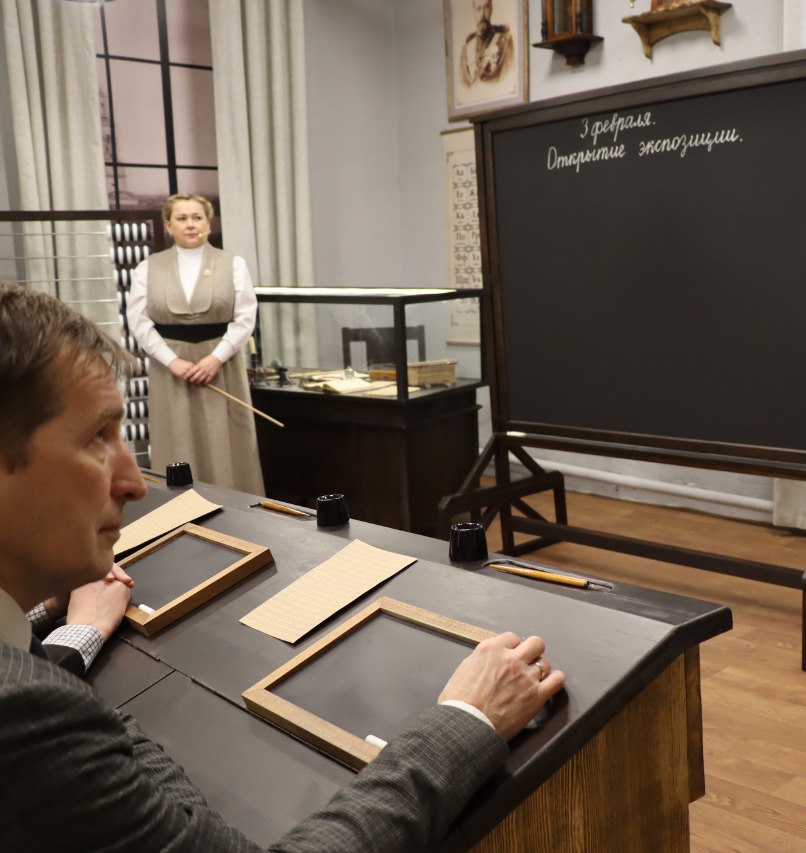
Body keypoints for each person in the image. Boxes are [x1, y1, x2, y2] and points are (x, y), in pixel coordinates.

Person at [0, 280, 566, 848]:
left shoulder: (31, 682)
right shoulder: (25, 713)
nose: (133, 482)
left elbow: (106, 748)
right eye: (97, 437)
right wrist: (466, 721)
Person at [126, 193, 264, 493]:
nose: (190, 224)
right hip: (171, 370)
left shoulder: (233, 264)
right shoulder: (148, 268)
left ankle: (238, 509)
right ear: (168, 226)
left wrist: (216, 358)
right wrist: (172, 361)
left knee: (226, 441)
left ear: (208, 223)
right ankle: (181, 509)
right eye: (182, 218)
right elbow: (138, 321)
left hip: (221, 365)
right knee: (177, 438)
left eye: (197, 217)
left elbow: (245, 317)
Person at [459, 0, 513, 87]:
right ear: (474, 11)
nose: (482, 14)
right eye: (478, 8)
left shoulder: (504, 43)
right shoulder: (467, 48)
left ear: (491, 9)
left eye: (486, 8)